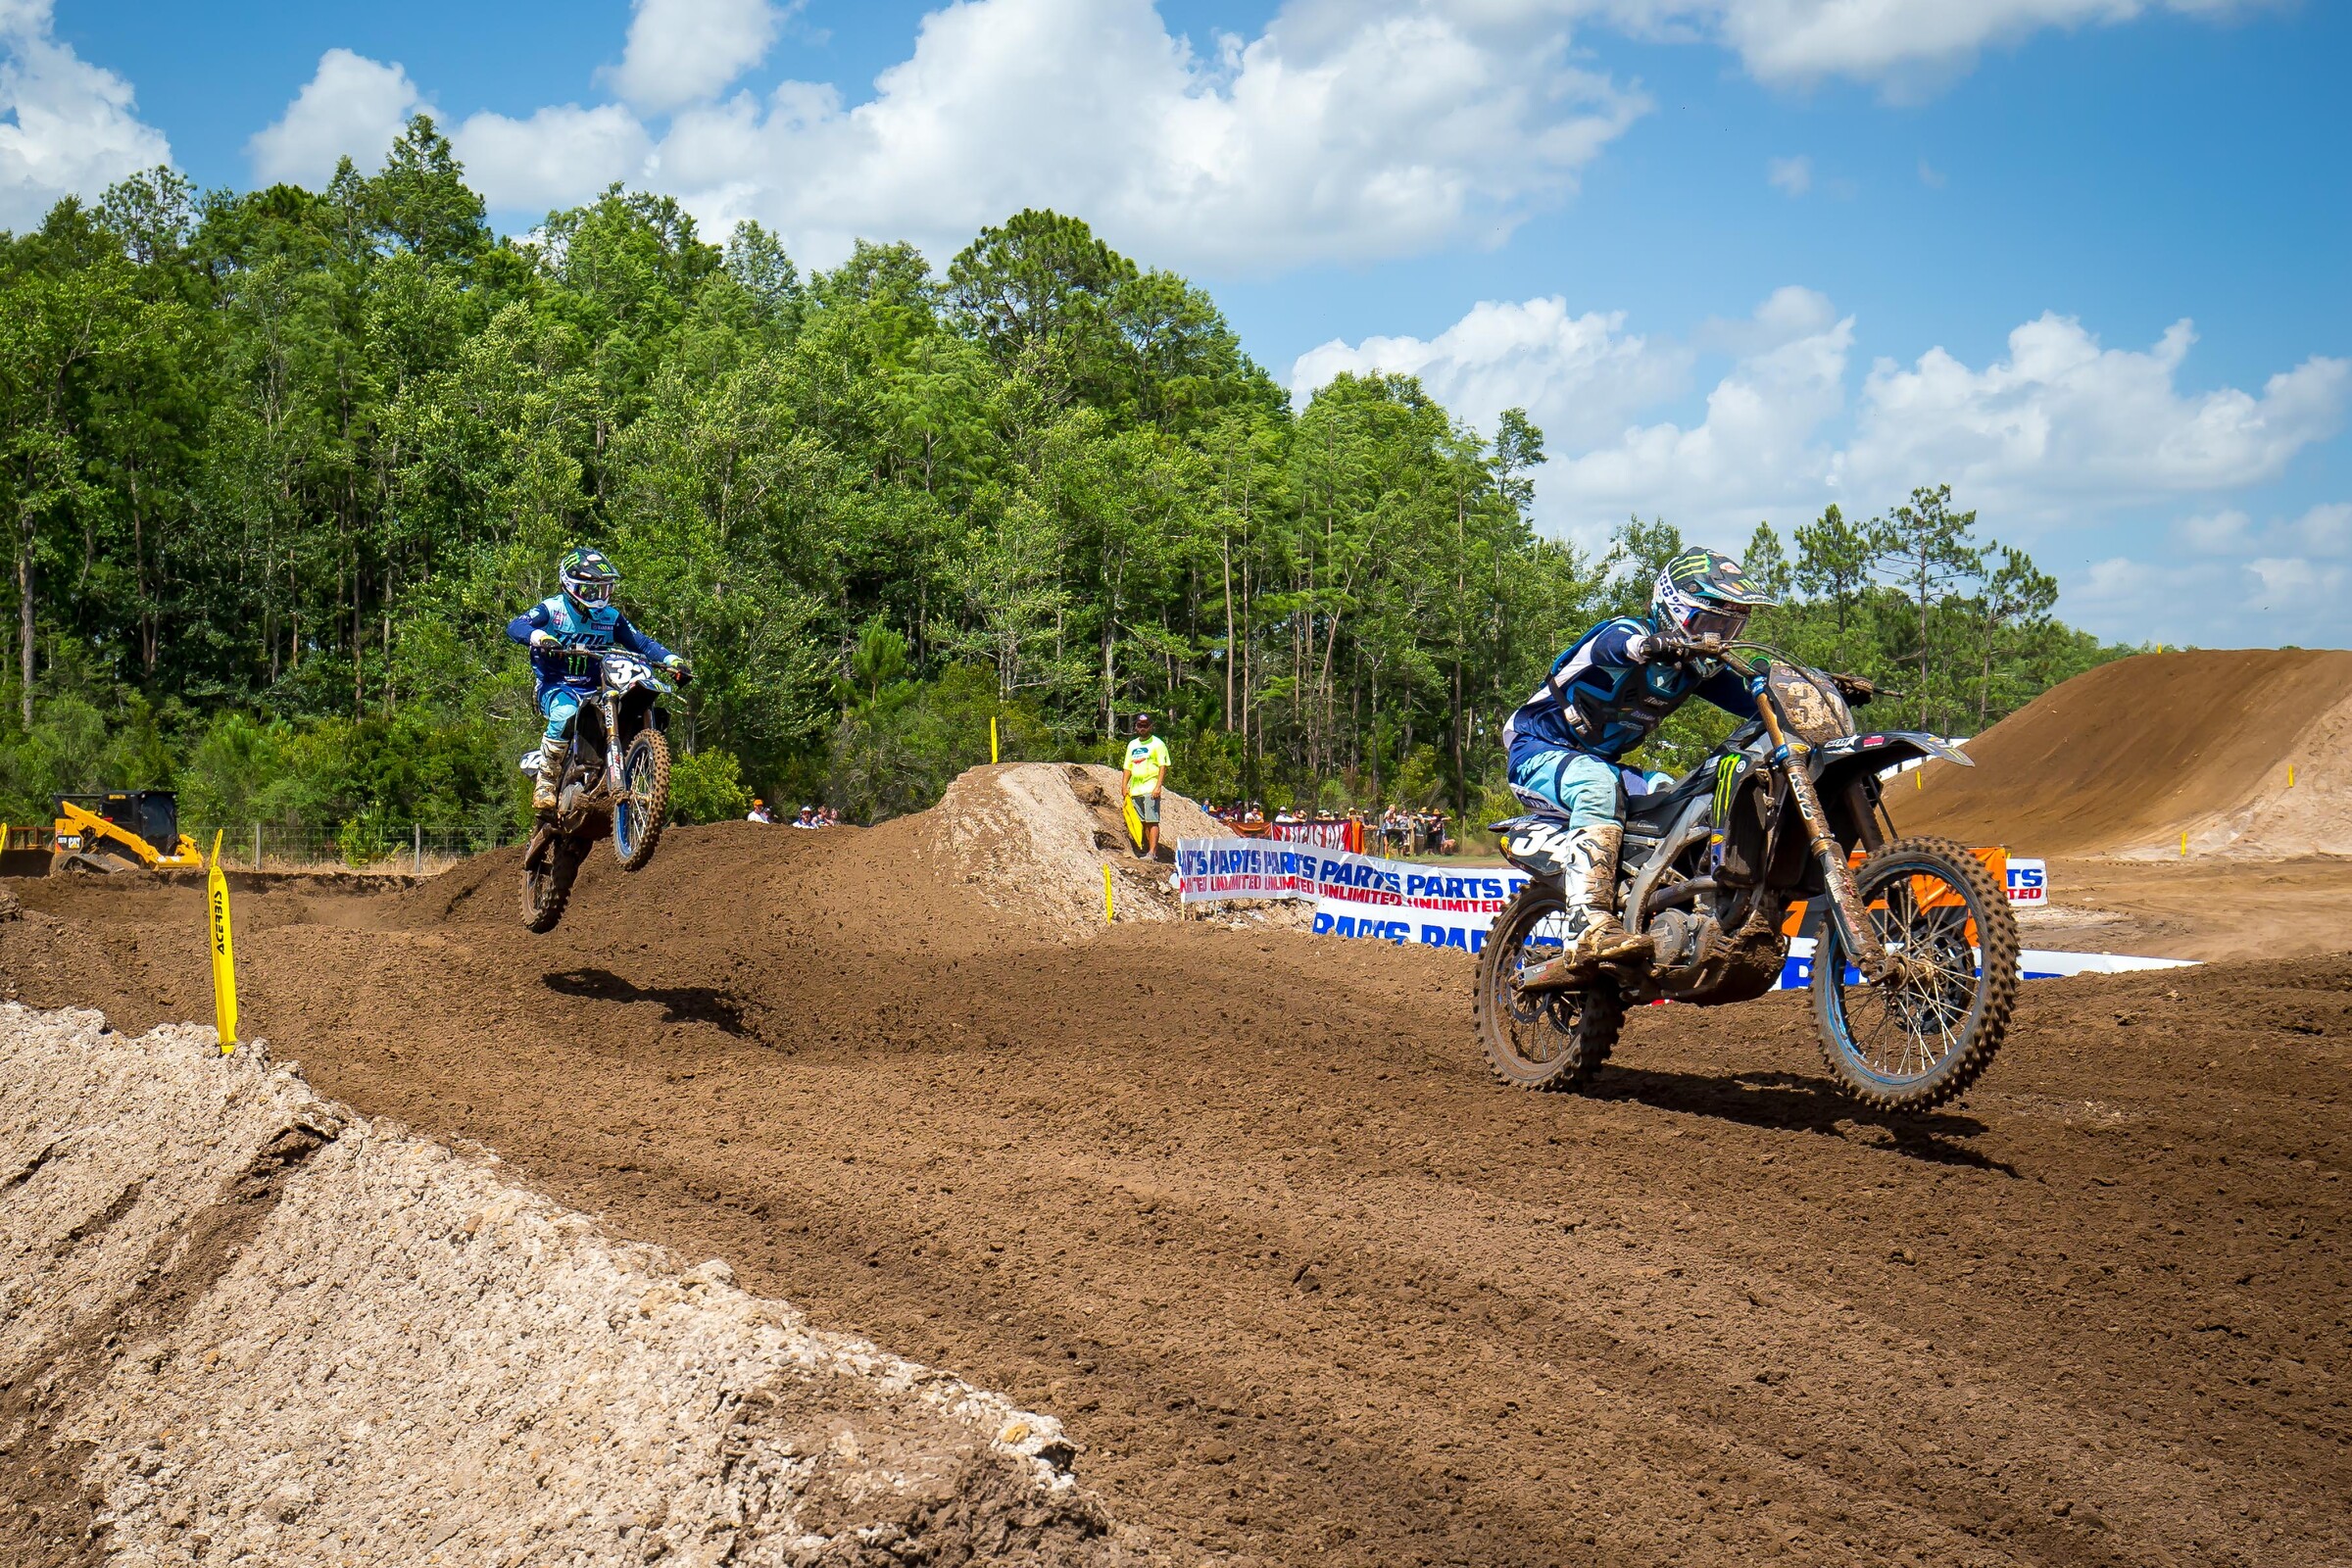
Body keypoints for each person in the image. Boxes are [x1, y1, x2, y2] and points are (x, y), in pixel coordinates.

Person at [1501, 547, 1773, 973]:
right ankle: (1587, 925)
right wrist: (1647, 644)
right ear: (1673, 608)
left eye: (1730, 625)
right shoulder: (1625, 633)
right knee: (1597, 786)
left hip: (1602, 764)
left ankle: (1667, 910)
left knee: (1680, 797)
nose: (1718, 636)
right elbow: (1611, 646)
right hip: (1537, 748)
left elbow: (1757, 701)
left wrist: (1815, 689)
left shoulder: (1695, 670)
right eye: (1711, 621)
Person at [508, 548, 689, 814]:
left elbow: (641, 642)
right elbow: (515, 626)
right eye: (593, 590)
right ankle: (546, 781)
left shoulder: (611, 618)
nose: (600, 596)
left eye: (605, 589)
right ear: (572, 587)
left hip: (598, 688)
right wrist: (539, 637)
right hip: (557, 685)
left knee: (631, 708)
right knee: (565, 712)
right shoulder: (553, 609)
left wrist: (672, 660)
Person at [1120, 711, 1172, 858]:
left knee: (1152, 820)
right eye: (1140, 725)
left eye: (1145, 726)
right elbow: (1127, 767)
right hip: (1136, 789)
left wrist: (1158, 786)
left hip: (1150, 788)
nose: (1142, 728)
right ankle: (1143, 848)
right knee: (1141, 821)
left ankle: (1152, 851)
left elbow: (1163, 766)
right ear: (1136, 727)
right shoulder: (1132, 745)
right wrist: (1124, 785)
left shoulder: (1157, 744)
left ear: (1150, 726)